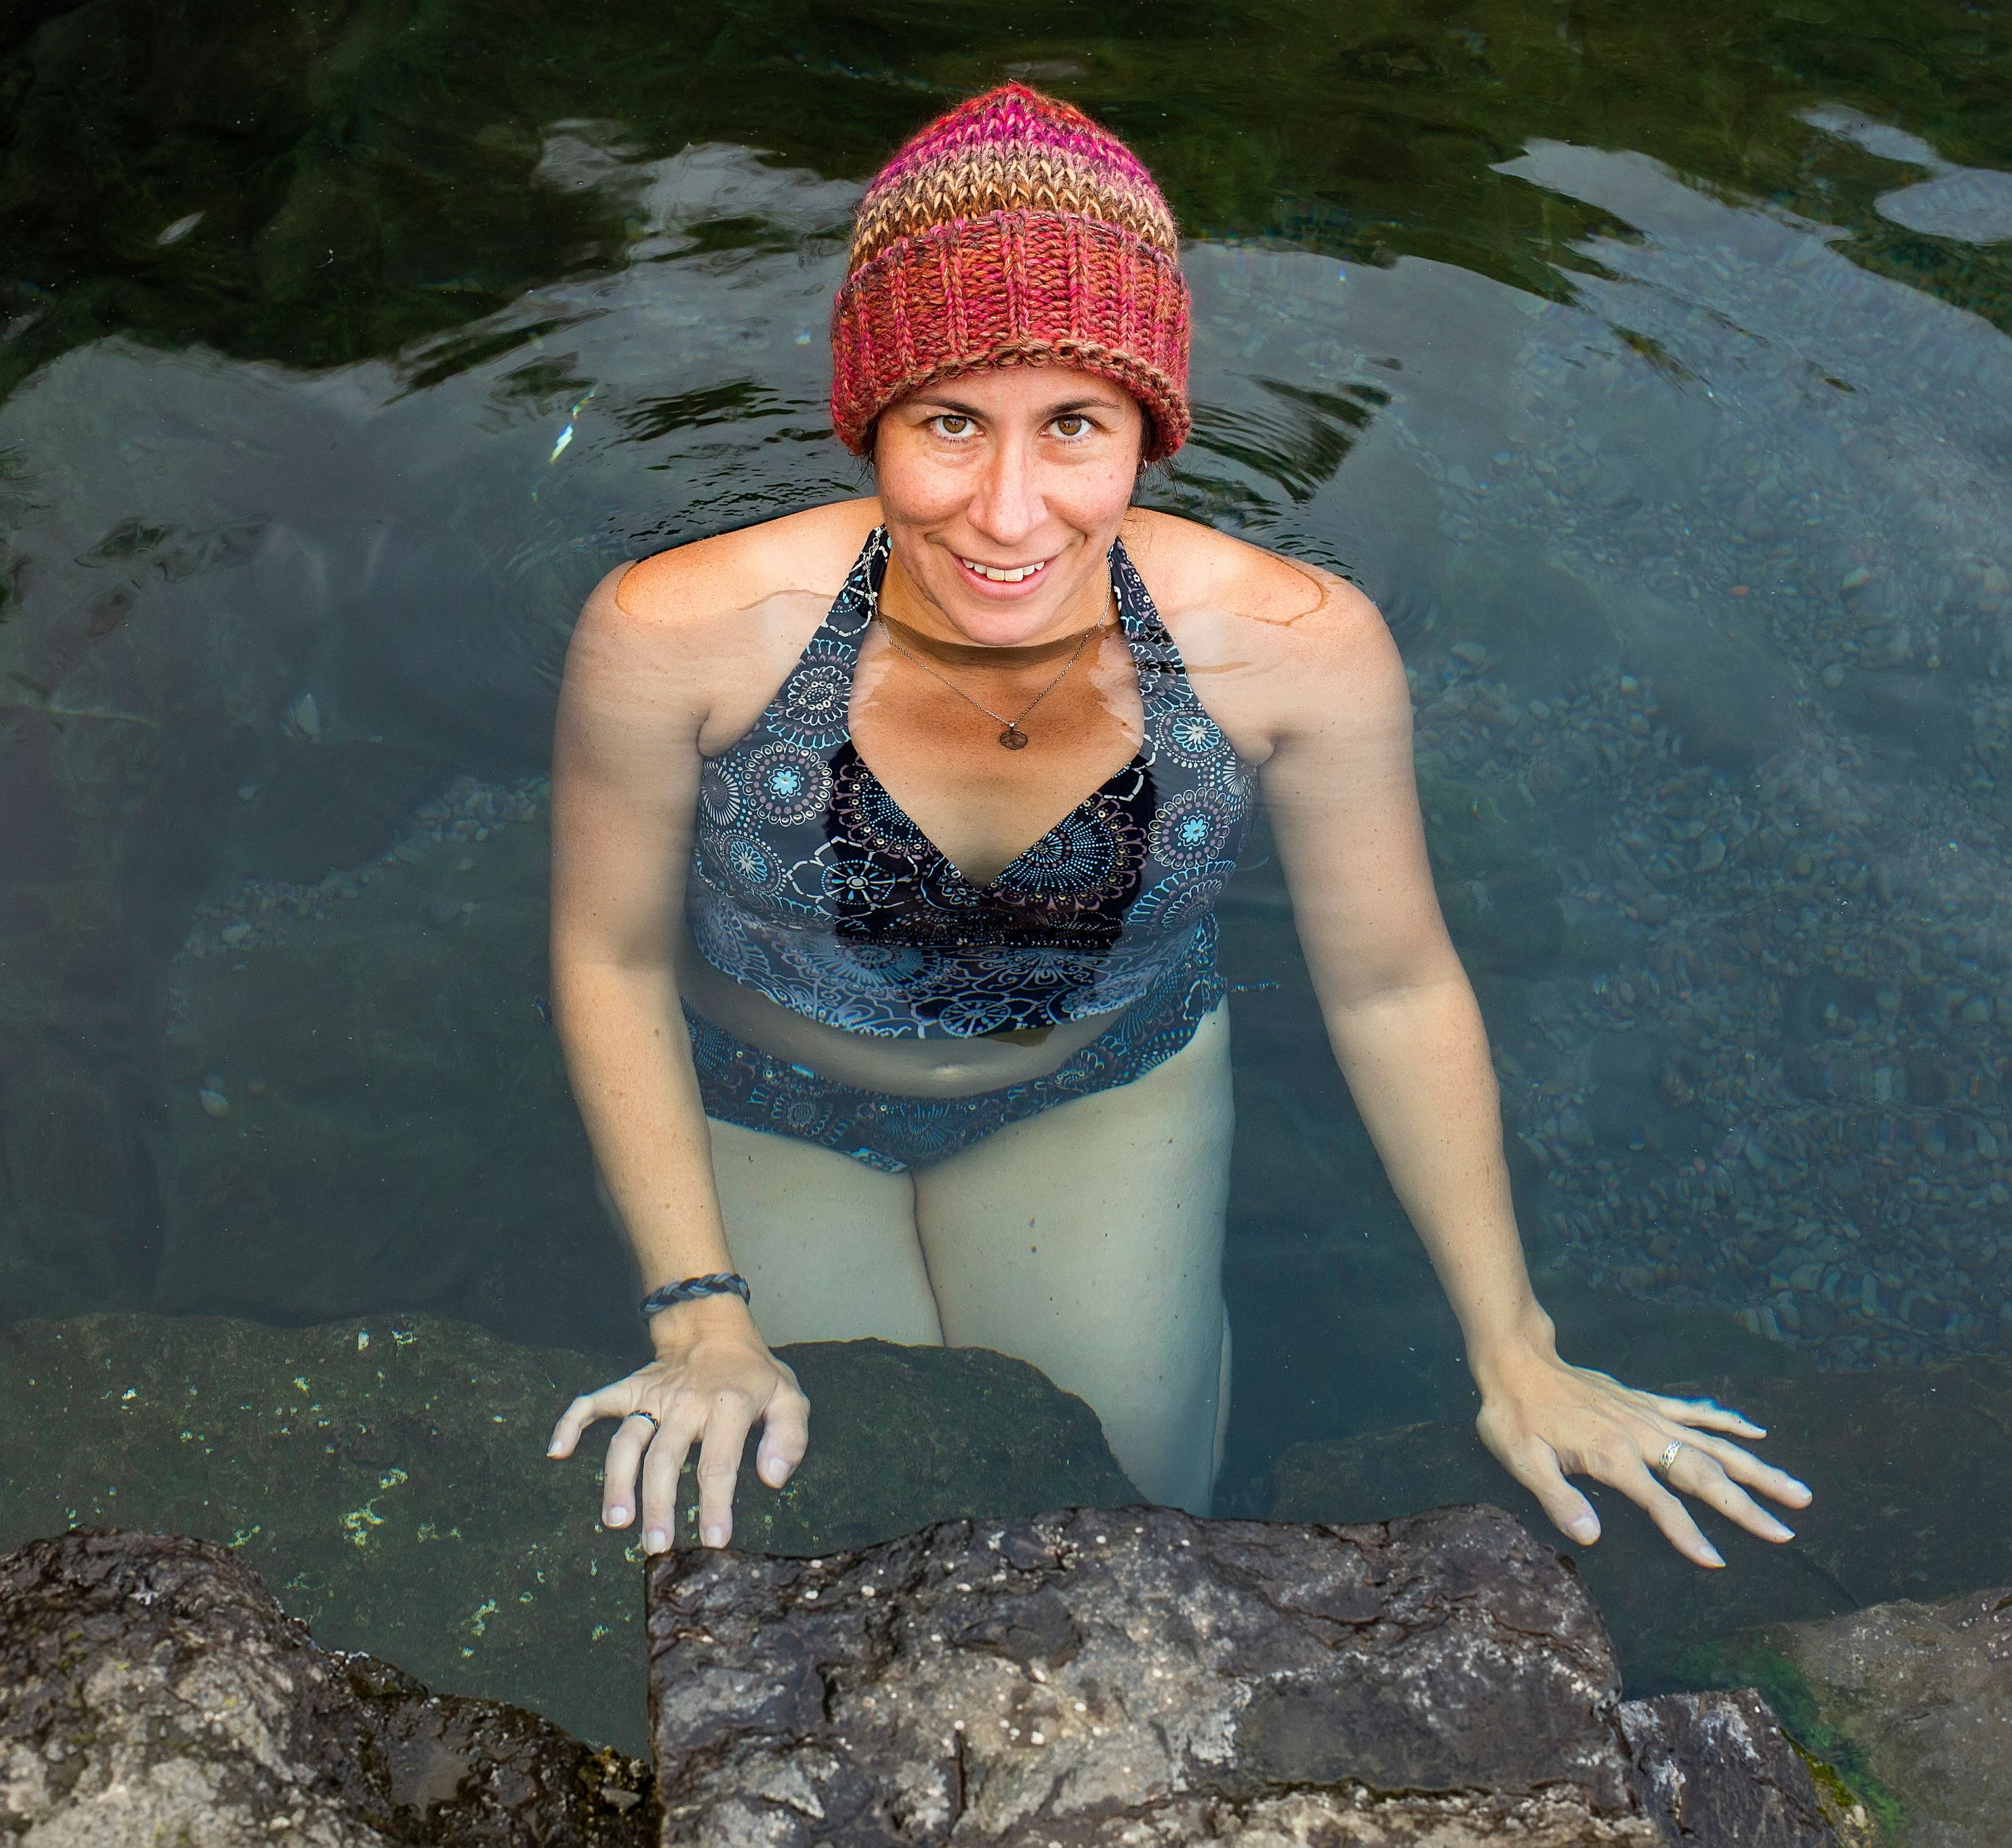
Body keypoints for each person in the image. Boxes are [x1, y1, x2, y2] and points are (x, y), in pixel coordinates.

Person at [544, 82, 1811, 1564]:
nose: (1010, 513)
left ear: (1149, 426)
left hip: (1099, 1088)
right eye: (949, 421)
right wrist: (694, 1305)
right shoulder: (681, 630)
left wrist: (1512, 1347)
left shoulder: (1291, 647)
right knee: (836, 1536)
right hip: (766, 1098)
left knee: (1125, 1522)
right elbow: (608, 957)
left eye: (1071, 424)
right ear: (867, 418)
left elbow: (1391, 980)